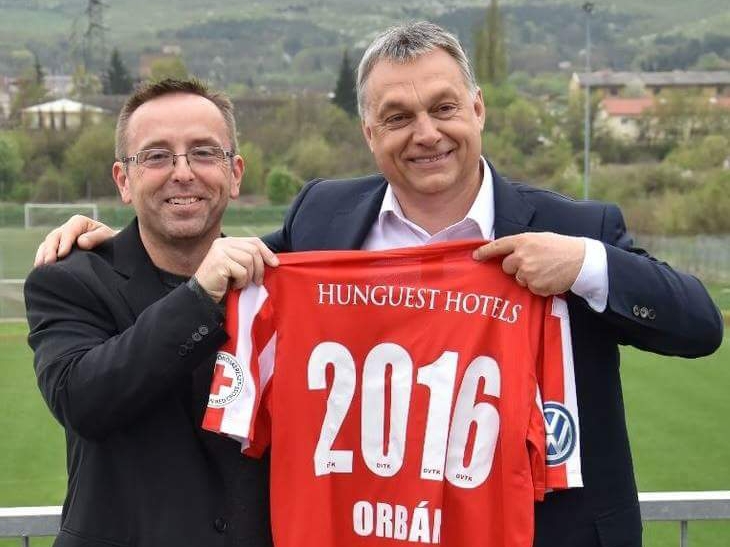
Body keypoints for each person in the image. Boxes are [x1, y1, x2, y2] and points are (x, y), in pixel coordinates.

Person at [35, 23, 723, 547]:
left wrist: (586, 266)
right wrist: (118, 234)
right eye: (397, 117)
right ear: (369, 132)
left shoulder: (573, 228)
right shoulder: (324, 218)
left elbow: (698, 324)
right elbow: (224, 263)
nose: (426, 133)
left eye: (444, 108)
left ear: (478, 110)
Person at [25, 79, 278, 547]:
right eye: (157, 156)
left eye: (204, 153)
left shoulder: (276, 282)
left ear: (235, 173)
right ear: (124, 180)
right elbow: (83, 399)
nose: (183, 172)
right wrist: (199, 295)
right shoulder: (69, 279)